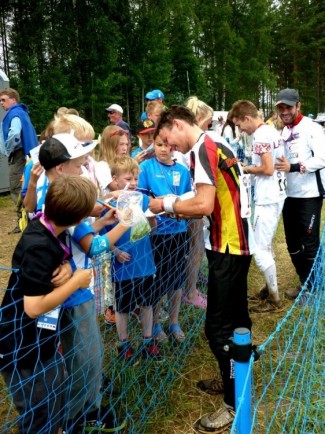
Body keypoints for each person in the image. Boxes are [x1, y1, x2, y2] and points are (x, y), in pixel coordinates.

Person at [149, 105, 253, 433]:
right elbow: (209, 201)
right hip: (234, 243)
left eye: (167, 138)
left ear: (178, 125)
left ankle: (234, 402)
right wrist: (182, 210)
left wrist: (166, 204)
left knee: (218, 328)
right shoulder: (213, 143)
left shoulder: (204, 148)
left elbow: (204, 204)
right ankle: (237, 377)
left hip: (228, 246)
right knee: (237, 319)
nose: (169, 146)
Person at [0, 174, 96, 434]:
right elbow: (33, 307)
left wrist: (64, 266)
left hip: (42, 340)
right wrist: (76, 281)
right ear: (79, 220)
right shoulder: (38, 247)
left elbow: (51, 263)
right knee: (37, 410)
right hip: (21, 346)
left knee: (54, 394)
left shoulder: (45, 223)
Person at [100, 155, 161, 361]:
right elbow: (102, 235)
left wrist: (152, 220)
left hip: (145, 263)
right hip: (123, 267)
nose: (133, 183)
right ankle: (123, 344)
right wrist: (116, 251)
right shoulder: (109, 205)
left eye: (135, 178)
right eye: (128, 179)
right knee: (123, 307)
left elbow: (152, 228)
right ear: (115, 179)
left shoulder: (143, 199)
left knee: (146, 303)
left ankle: (147, 340)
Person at [229, 100, 286, 312]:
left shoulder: (261, 135)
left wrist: (246, 169)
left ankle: (274, 299)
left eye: (239, 124)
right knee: (266, 244)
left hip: (267, 197)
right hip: (276, 195)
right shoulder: (271, 131)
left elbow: (268, 168)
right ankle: (269, 289)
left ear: (247, 118)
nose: (240, 129)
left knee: (259, 249)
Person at [138, 135, 192, 342]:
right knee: (159, 281)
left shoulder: (183, 171)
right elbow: (141, 198)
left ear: (174, 147)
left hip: (178, 232)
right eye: (158, 145)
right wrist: (157, 202)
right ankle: (157, 323)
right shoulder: (146, 168)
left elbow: (187, 200)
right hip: (156, 234)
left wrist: (178, 210)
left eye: (167, 146)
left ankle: (174, 321)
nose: (162, 150)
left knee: (177, 280)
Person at [274, 88, 325, 299]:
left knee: (310, 244)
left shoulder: (312, 128)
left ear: (298, 106)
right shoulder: (283, 131)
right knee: (292, 244)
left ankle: (315, 289)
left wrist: (294, 167)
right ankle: (307, 284)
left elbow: (322, 159)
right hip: (289, 196)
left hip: (309, 195)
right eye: (280, 107)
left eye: (288, 106)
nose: (284, 111)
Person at [0, 88, 38, 233]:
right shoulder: (22, 113)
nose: (1, 103)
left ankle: (24, 221)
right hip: (27, 156)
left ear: (13, 100)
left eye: (4, 100)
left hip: (19, 155)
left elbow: (15, 134)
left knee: (17, 187)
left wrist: (9, 149)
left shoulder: (14, 113)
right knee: (26, 186)